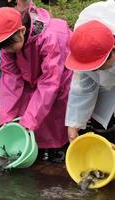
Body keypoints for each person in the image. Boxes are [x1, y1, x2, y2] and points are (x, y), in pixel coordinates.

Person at [0, 5, 72, 162]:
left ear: (22, 31)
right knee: (24, 105)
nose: (7, 50)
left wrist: (30, 120)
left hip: (61, 73)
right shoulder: (8, 44)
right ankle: (36, 144)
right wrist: (7, 118)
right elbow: (10, 78)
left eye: (10, 46)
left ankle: (58, 147)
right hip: (32, 74)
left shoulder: (50, 37)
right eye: (4, 48)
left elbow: (50, 82)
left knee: (54, 105)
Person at [65, 0, 115, 144]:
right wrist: (74, 125)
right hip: (108, 80)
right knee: (101, 118)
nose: (96, 71)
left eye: (98, 66)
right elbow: (82, 88)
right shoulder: (84, 42)